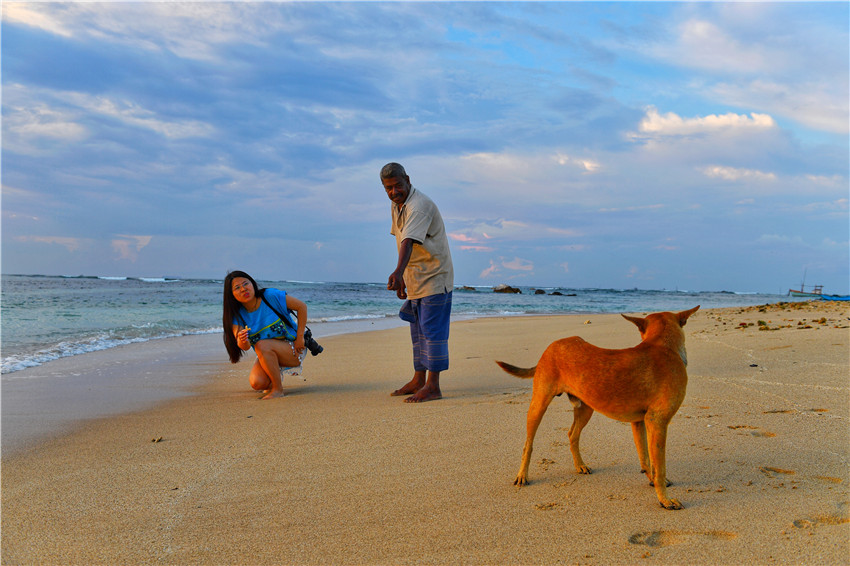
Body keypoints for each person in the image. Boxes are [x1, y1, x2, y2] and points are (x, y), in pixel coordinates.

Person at [381, 162, 454, 403]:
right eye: (388, 188)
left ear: (408, 180)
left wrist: (398, 272)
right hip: (416, 278)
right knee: (418, 331)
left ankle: (433, 386)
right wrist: (404, 277)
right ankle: (418, 379)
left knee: (432, 331)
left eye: (397, 186)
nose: (394, 192)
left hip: (434, 276)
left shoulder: (419, 206)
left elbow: (409, 241)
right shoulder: (397, 205)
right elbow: (401, 239)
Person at [222, 270, 307, 400]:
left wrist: (300, 337)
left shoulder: (270, 296)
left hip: (294, 347)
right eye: (237, 288)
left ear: (253, 284)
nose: (243, 289)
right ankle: (274, 377)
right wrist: (242, 339)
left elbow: (302, 307)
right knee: (257, 383)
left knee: (261, 345)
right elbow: (244, 347)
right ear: (231, 294)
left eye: (246, 283)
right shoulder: (237, 315)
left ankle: (278, 389)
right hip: (267, 353)